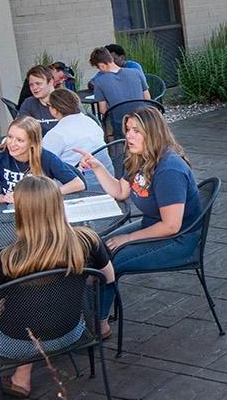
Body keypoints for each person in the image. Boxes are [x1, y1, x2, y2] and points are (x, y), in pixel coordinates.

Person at [0, 176, 115, 398]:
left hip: (16, 345)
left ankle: (20, 377)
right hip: (71, 332)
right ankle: (21, 376)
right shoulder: (88, 240)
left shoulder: (7, 258)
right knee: (43, 305)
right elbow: (108, 277)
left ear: (21, 211)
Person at [85, 108, 202, 327]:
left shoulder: (169, 169)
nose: (129, 135)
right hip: (154, 225)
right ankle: (86, 316)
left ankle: (98, 325)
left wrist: (128, 238)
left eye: (136, 131)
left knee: (112, 259)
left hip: (179, 240)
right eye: (128, 129)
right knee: (97, 248)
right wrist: (98, 167)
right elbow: (120, 192)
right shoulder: (139, 158)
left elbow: (171, 226)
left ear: (153, 133)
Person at [0, 117, 84, 203]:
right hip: (9, 208)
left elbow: (78, 184)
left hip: (39, 209)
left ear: (32, 143)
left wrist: (44, 194)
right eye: (10, 137)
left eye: (20, 140)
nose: (12, 143)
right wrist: (1, 198)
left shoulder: (46, 157)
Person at [42, 88, 110, 184]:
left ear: (54, 109)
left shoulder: (56, 134)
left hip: (79, 185)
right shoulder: (92, 122)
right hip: (107, 179)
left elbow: (40, 162)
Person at [86, 47, 151, 131]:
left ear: (101, 66)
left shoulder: (99, 82)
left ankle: (112, 142)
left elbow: (103, 110)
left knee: (107, 123)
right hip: (143, 120)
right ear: (111, 58)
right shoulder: (136, 72)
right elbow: (147, 98)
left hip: (120, 124)